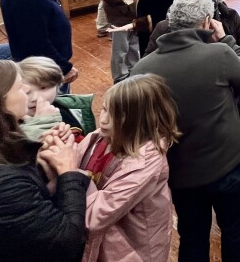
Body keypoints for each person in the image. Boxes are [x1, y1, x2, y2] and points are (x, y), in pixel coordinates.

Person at [130, 0, 240, 262]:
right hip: (229, 162)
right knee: (234, 229)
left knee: (192, 235)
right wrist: (225, 37)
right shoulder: (218, 53)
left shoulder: (142, 68)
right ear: (207, 21)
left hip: (181, 172)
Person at [0, 59, 91, 260]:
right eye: (19, 86)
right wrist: (69, 173)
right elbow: (66, 246)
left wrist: (40, 167)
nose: (26, 87)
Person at [74, 74, 179, 262]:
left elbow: (94, 218)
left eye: (115, 115)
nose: (104, 120)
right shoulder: (101, 137)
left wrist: (70, 175)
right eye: (104, 109)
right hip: (104, 246)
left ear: (138, 121)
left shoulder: (145, 162)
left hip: (131, 252)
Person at [147, 0, 240, 137]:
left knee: (239, 133)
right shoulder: (166, 27)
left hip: (232, 93)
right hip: (186, 103)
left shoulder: (228, 16)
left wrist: (234, 70)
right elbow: (150, 61)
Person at [17, 56, 85, 140]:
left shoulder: (63, 114)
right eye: (26, 91)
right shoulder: (4, 120)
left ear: (57, 86)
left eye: (43, 88)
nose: (35, 98)